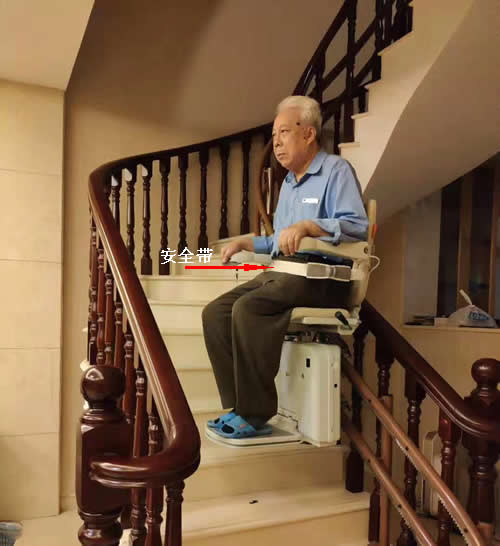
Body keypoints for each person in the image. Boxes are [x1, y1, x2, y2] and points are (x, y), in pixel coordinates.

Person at [202, 95, 368, 440]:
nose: (276, 143)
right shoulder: (289, 183)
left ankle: (255, 413)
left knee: (249, 308)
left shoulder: (336, 171)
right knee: (215, 313)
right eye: (274, 136)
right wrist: (247, 243)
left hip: (325, 276)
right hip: (288, 271)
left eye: (283, 133)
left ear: (308, 133)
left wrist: (310, 226)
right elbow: (282, 240)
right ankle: (238, 405)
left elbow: (356, 226)